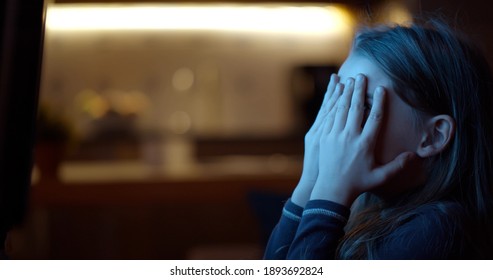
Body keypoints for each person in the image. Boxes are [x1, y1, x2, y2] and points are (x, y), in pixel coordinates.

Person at [264, 19, 493, 259]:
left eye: (360, 104)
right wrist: (311, 182)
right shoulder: (371, 209)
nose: (334, 127)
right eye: (336, 102)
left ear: (433, 136)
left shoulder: (437, 229)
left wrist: (329, 194)